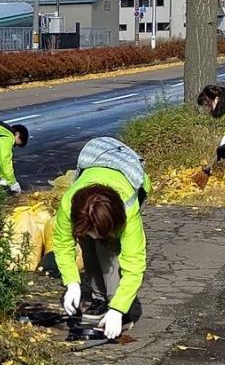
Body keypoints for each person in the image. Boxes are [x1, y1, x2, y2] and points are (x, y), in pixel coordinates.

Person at [54, 137, 151, 340]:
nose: (95, 236)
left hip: (129, 180)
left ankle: (117, 306)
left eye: (98, 232)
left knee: (109, 252)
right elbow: (63, 245)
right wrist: (72, 282)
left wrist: (118, 309)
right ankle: (99, 299)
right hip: (97, 163)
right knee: (88, 247)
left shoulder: (128, 209)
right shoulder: (69, 204)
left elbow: (135, 265)